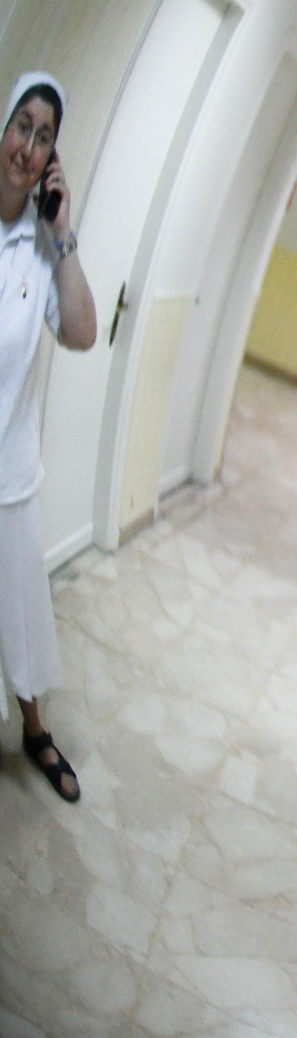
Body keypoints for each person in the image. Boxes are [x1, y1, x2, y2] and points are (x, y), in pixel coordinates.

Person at [0, 72, 96, 803]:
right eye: (21, 126)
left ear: (51, 161)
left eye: (43, 138)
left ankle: (35, 730)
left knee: (24, 614)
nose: (27, 147)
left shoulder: (40, 250)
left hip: (11, 475)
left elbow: (84, 332)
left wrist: (63, 237)